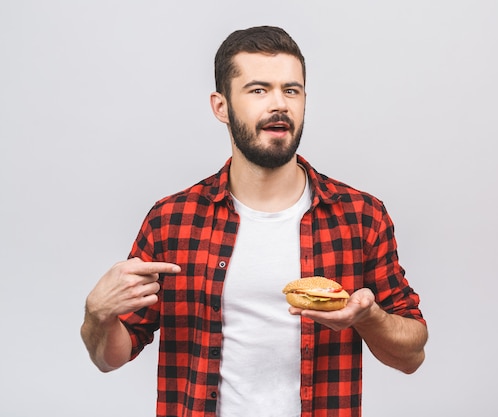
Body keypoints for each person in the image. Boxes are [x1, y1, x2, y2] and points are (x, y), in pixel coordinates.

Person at [80, 25, 428, 417]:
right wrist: (98, 315)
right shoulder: (171, 221)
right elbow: (110, 357)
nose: (278, 104)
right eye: (258, 90)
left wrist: (368, 317)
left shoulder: (360, 217)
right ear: (221, 106)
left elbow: (412, 354)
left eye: (290, 90)